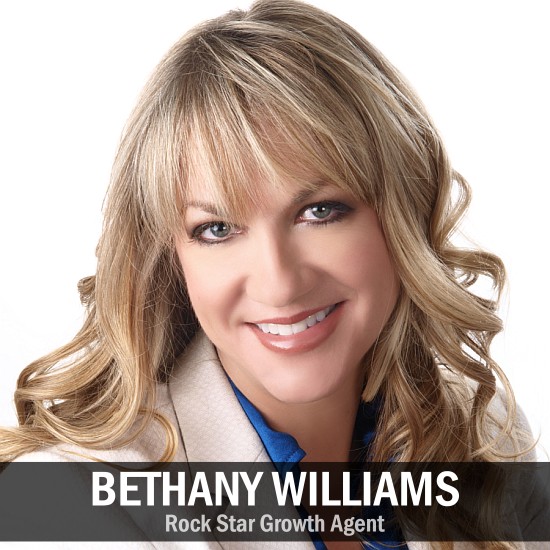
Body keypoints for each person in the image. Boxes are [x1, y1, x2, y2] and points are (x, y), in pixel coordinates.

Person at [0, 0, 538, 547]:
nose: (279, 284)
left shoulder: (483, 430)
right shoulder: (70, 504)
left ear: (403, 211)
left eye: (319, 211)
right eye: (217, 229)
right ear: (169, 257)